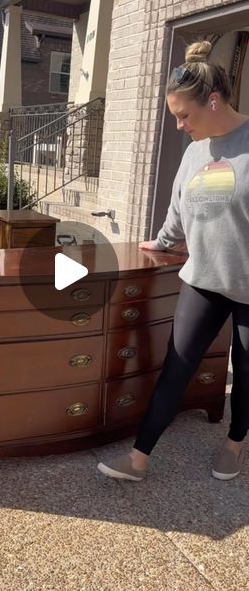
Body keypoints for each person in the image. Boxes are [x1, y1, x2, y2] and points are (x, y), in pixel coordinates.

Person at [98, 39, 249, 482]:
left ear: (214, 101)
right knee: (177, 366)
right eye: (175, 117)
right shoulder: (194, 152)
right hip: (204, 279)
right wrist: (161, 242)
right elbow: (179, 209)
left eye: (185, 116)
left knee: (246, 376)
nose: (180, 126)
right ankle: (139, 458)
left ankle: (235, 443)